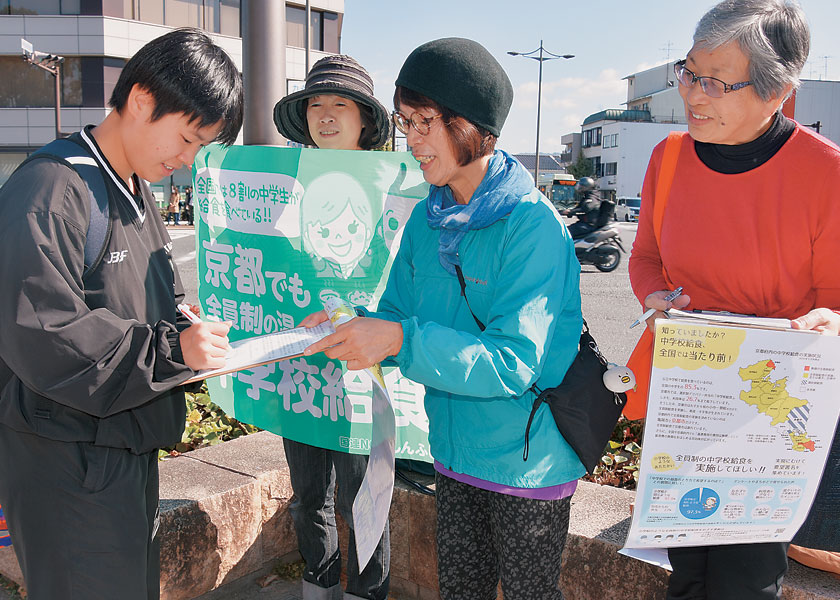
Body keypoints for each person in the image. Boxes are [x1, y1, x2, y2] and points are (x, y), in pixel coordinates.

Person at [303, 38, 584, 600]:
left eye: (425, 122)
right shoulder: (429, 219)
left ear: (473, 126)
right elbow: (394, 314)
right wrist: (347, 322)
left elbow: (513, 362)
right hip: (454, 456)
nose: (412, 140)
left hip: (527, 463)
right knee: (460, 591)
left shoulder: (533, 227)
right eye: (405, 122)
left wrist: (399, 339)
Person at [0, 28, 243, 600]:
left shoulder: (133, 185)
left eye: (199, 148)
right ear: (140, 100)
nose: (186, 160)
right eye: (185, 139)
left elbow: (150, 299)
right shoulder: (52, 187)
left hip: (120, 452)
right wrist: (171, 350)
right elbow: (45, 332)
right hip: (67, 463)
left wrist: (191, 330)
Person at [627, 1, 840, 598]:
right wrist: (657, 298)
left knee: (745, 582)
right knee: (687, 576)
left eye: (716, 82)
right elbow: (644, 260)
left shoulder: (825, 176)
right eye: (689, 72)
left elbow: (837, 302)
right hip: (690, 396)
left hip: (770, 410)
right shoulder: (668, 158)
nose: (693, 94)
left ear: (780, 92)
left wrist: (829, 322)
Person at [272, 54, 392, 600]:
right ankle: (316, 588)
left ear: (364, 118)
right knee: (307, 495)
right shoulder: (284, 185)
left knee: (363, 495)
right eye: (315, 104)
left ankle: (367, 592)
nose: (325, 115)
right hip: (302, 366)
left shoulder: (397, 187)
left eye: (339, 104)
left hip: (362, 370)